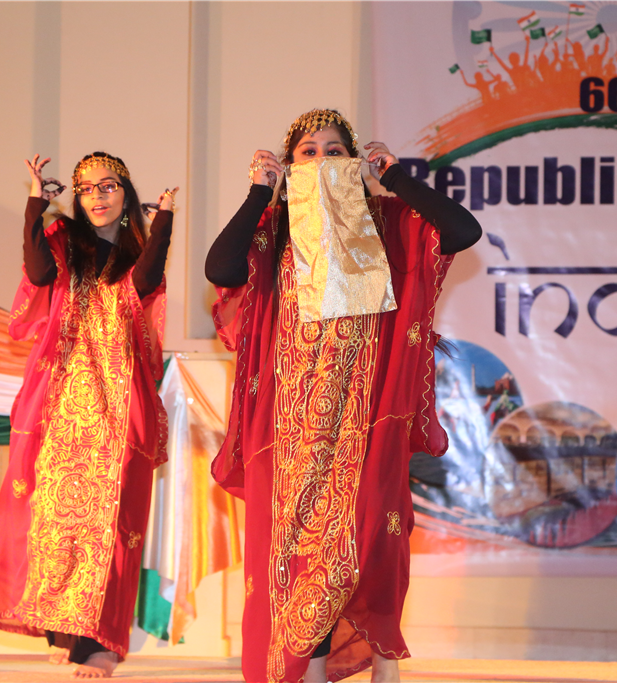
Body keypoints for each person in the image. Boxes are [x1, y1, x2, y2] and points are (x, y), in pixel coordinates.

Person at [205, 110, 482, 683]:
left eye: (335, 151)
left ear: (354, 163)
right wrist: (260, 192)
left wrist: (394, 177)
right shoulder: (275, 231)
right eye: (308, 151)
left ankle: (385, 659)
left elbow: (462, 231)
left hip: (367, 419)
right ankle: (306, 668)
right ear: (290, 165)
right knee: (296, 549)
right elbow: (221, 267)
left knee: (370, 536)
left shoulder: (385, 223)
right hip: (288, 425)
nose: (322, 160)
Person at [0, 151, 176, 679]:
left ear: (127, 194)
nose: (97, 196)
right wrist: (34, 206)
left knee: (112, 521)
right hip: (61, 396)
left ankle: (102, 644)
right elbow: (38, 272)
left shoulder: (137, 252)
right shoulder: (63, 241)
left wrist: (165, 223)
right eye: (86, 188)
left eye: (109, 186)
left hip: (120, 399)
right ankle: (62, 630)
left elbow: (146, 281)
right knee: (55, 512)